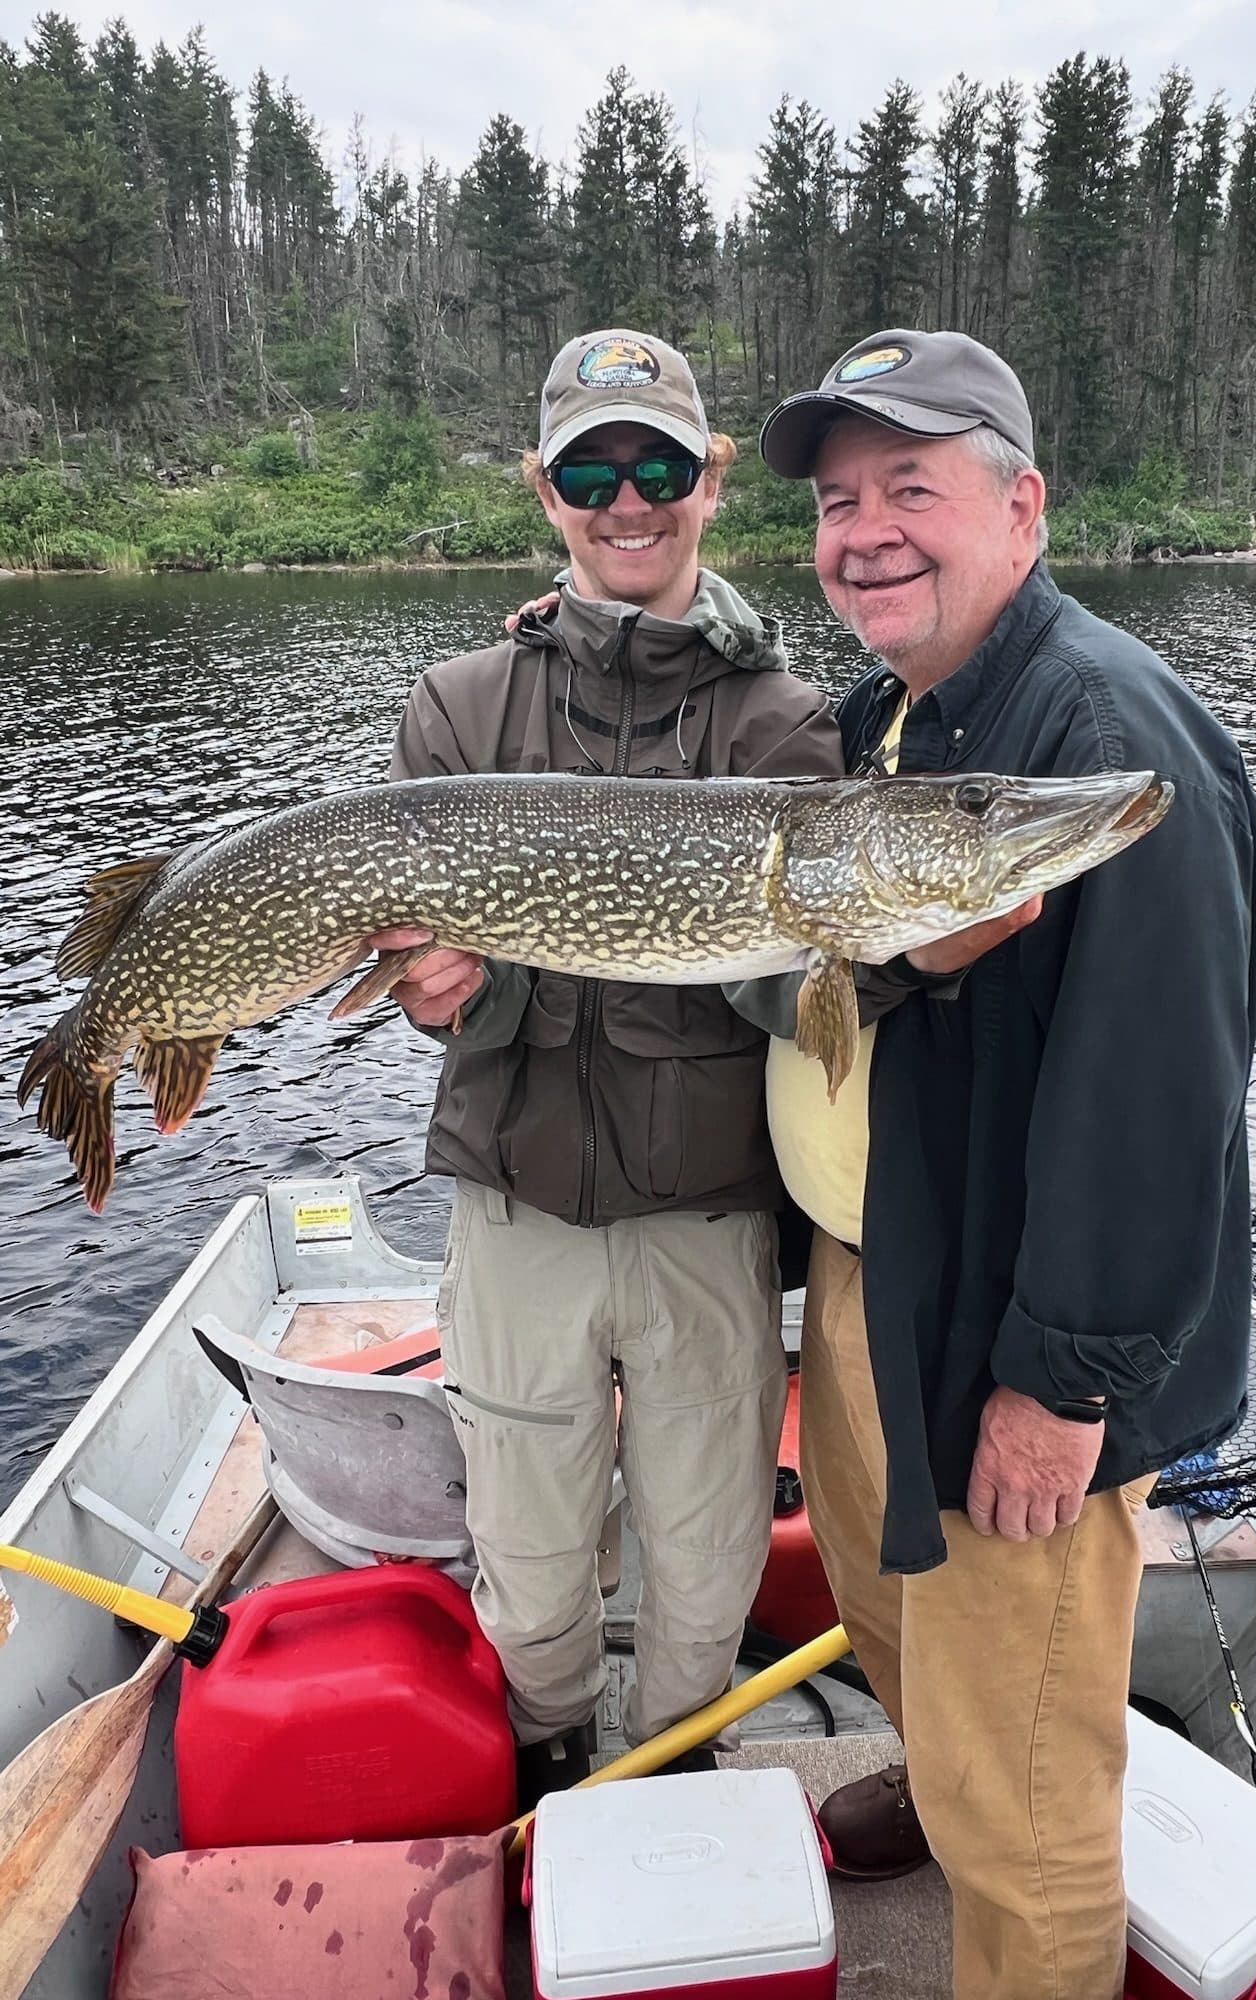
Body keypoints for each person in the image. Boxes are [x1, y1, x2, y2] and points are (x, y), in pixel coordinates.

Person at [750, 329, 1256, 2000]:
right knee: (890, 1608)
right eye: (840, 501)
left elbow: (1156, 1106)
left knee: (1030, 1792)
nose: (868, 531)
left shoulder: (1105, 735)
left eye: (915, 487)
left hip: (1005, 1334)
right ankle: (932, 1764)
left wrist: (1061, 1386)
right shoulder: (894, 711)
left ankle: (1028, 1987)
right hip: (880, 1276)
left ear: (1023, 507)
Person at [369, 328, 848, 1803]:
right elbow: (400, 963)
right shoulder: (458, 705)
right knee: (525, 1557)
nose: (625, 497)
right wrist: (423, 992)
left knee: (705, 1566)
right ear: (546, 488)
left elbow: (811, 984)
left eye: (657, 464)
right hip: (516, 1208)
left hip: (705, 1212)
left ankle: (672, 1771)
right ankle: (552, 1748)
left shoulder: (788, 722)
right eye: (592, 468)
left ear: (709, 482)